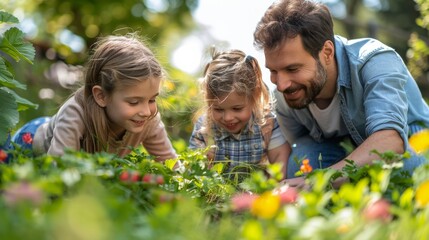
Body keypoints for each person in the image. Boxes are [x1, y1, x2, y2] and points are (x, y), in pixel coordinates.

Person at [253, 0, 429, 186]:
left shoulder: (375, 62)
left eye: (293, 69)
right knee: (303, 157)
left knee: (400, 165)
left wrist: (318, 181)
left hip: (412, 140)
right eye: (273, 71)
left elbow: (390, 141)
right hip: (346, 151)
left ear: (327, 52)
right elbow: (292, 149)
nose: (281, 85)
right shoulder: (284, 94)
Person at [12, 33, 177, 161]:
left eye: (152, 100)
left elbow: (172, 165)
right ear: (101, 96)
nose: (146, 111)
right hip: (30, 143)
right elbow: (59, 171)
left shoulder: (148, 120)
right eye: (134, 102)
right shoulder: (75, 113)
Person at [188, 49, 290, 179]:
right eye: (218, 110)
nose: (228, 118)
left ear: (254, 96)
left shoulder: (266, 124)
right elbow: (195, 167)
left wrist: (272, 188)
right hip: (218, 194)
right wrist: (204, 161)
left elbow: (279, 157)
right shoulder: (205, 127)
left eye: (237, 109)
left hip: (256, 193)